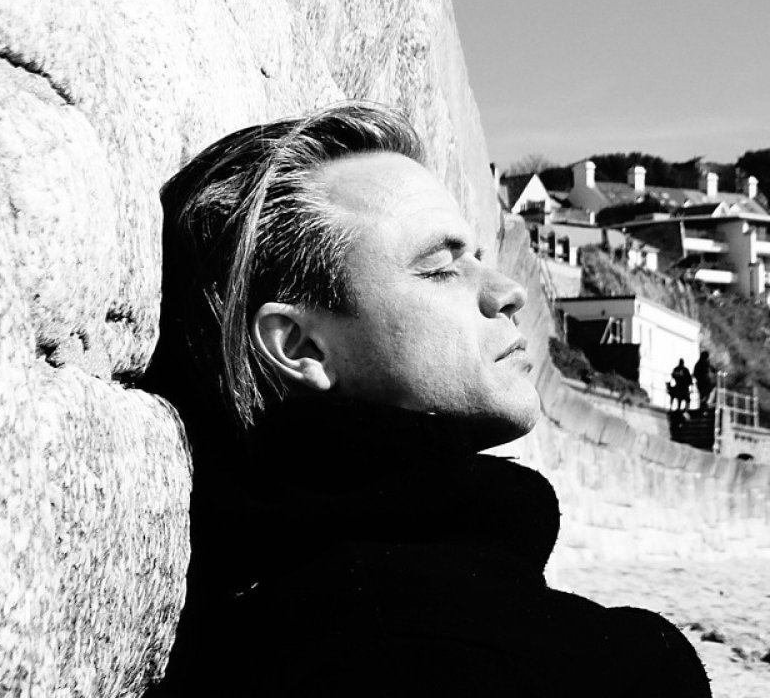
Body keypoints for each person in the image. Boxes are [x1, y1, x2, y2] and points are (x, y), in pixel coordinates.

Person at [143, 104, 710, 697]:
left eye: (478, 259)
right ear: (301, 345)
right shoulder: (436, 656)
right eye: (441, 269)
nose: (508, 293)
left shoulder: (289, 600)